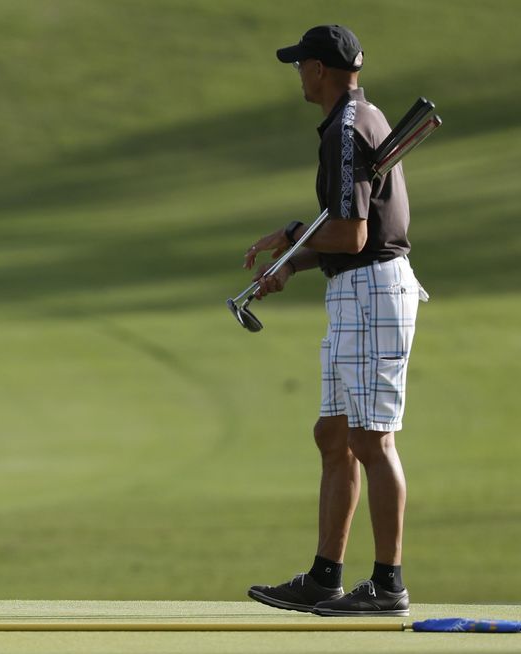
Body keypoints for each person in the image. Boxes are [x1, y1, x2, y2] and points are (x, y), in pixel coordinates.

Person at [244, 25, 426, 616]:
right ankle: (325, 578)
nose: (298, 73)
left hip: (372, 292)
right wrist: (294, 264)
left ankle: (389, 585)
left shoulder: (346, 130)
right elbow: (350, 234)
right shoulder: (360, 120)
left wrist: (293, 235)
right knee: (334, 435)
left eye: (301, 64)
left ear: (319, 69)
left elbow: (353, 234)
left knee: (371, 438)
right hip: (358, 289)